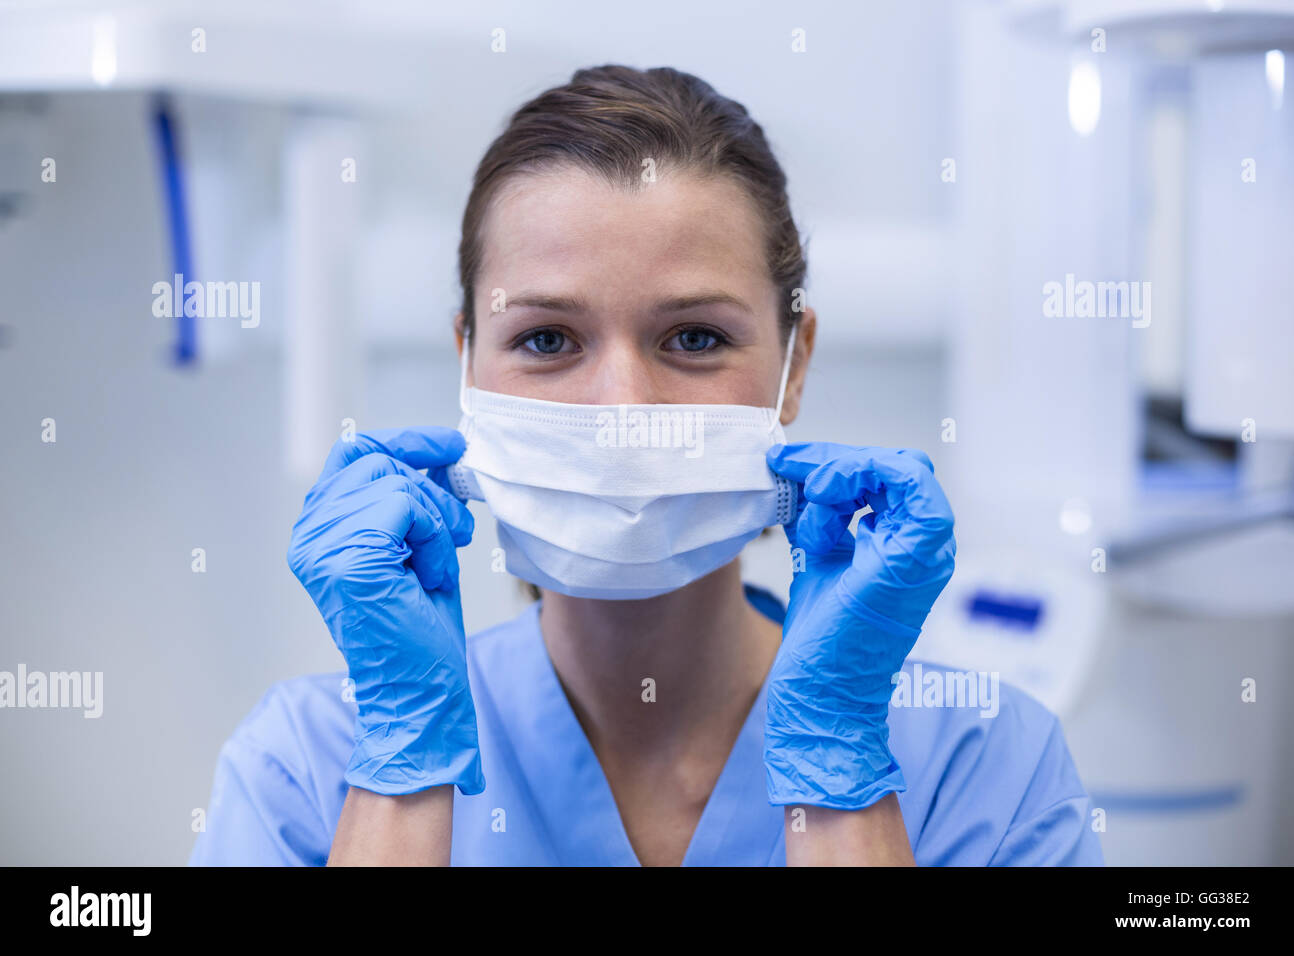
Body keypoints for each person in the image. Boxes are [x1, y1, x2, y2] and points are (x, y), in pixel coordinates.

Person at [190, 65, 1103, 867]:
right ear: (467, 362)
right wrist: (402, 770)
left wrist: (839, 776)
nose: (623, 406)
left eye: (694, 337)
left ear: (796, 365)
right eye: (547, 339)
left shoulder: (987, 765)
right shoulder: (307, 767)